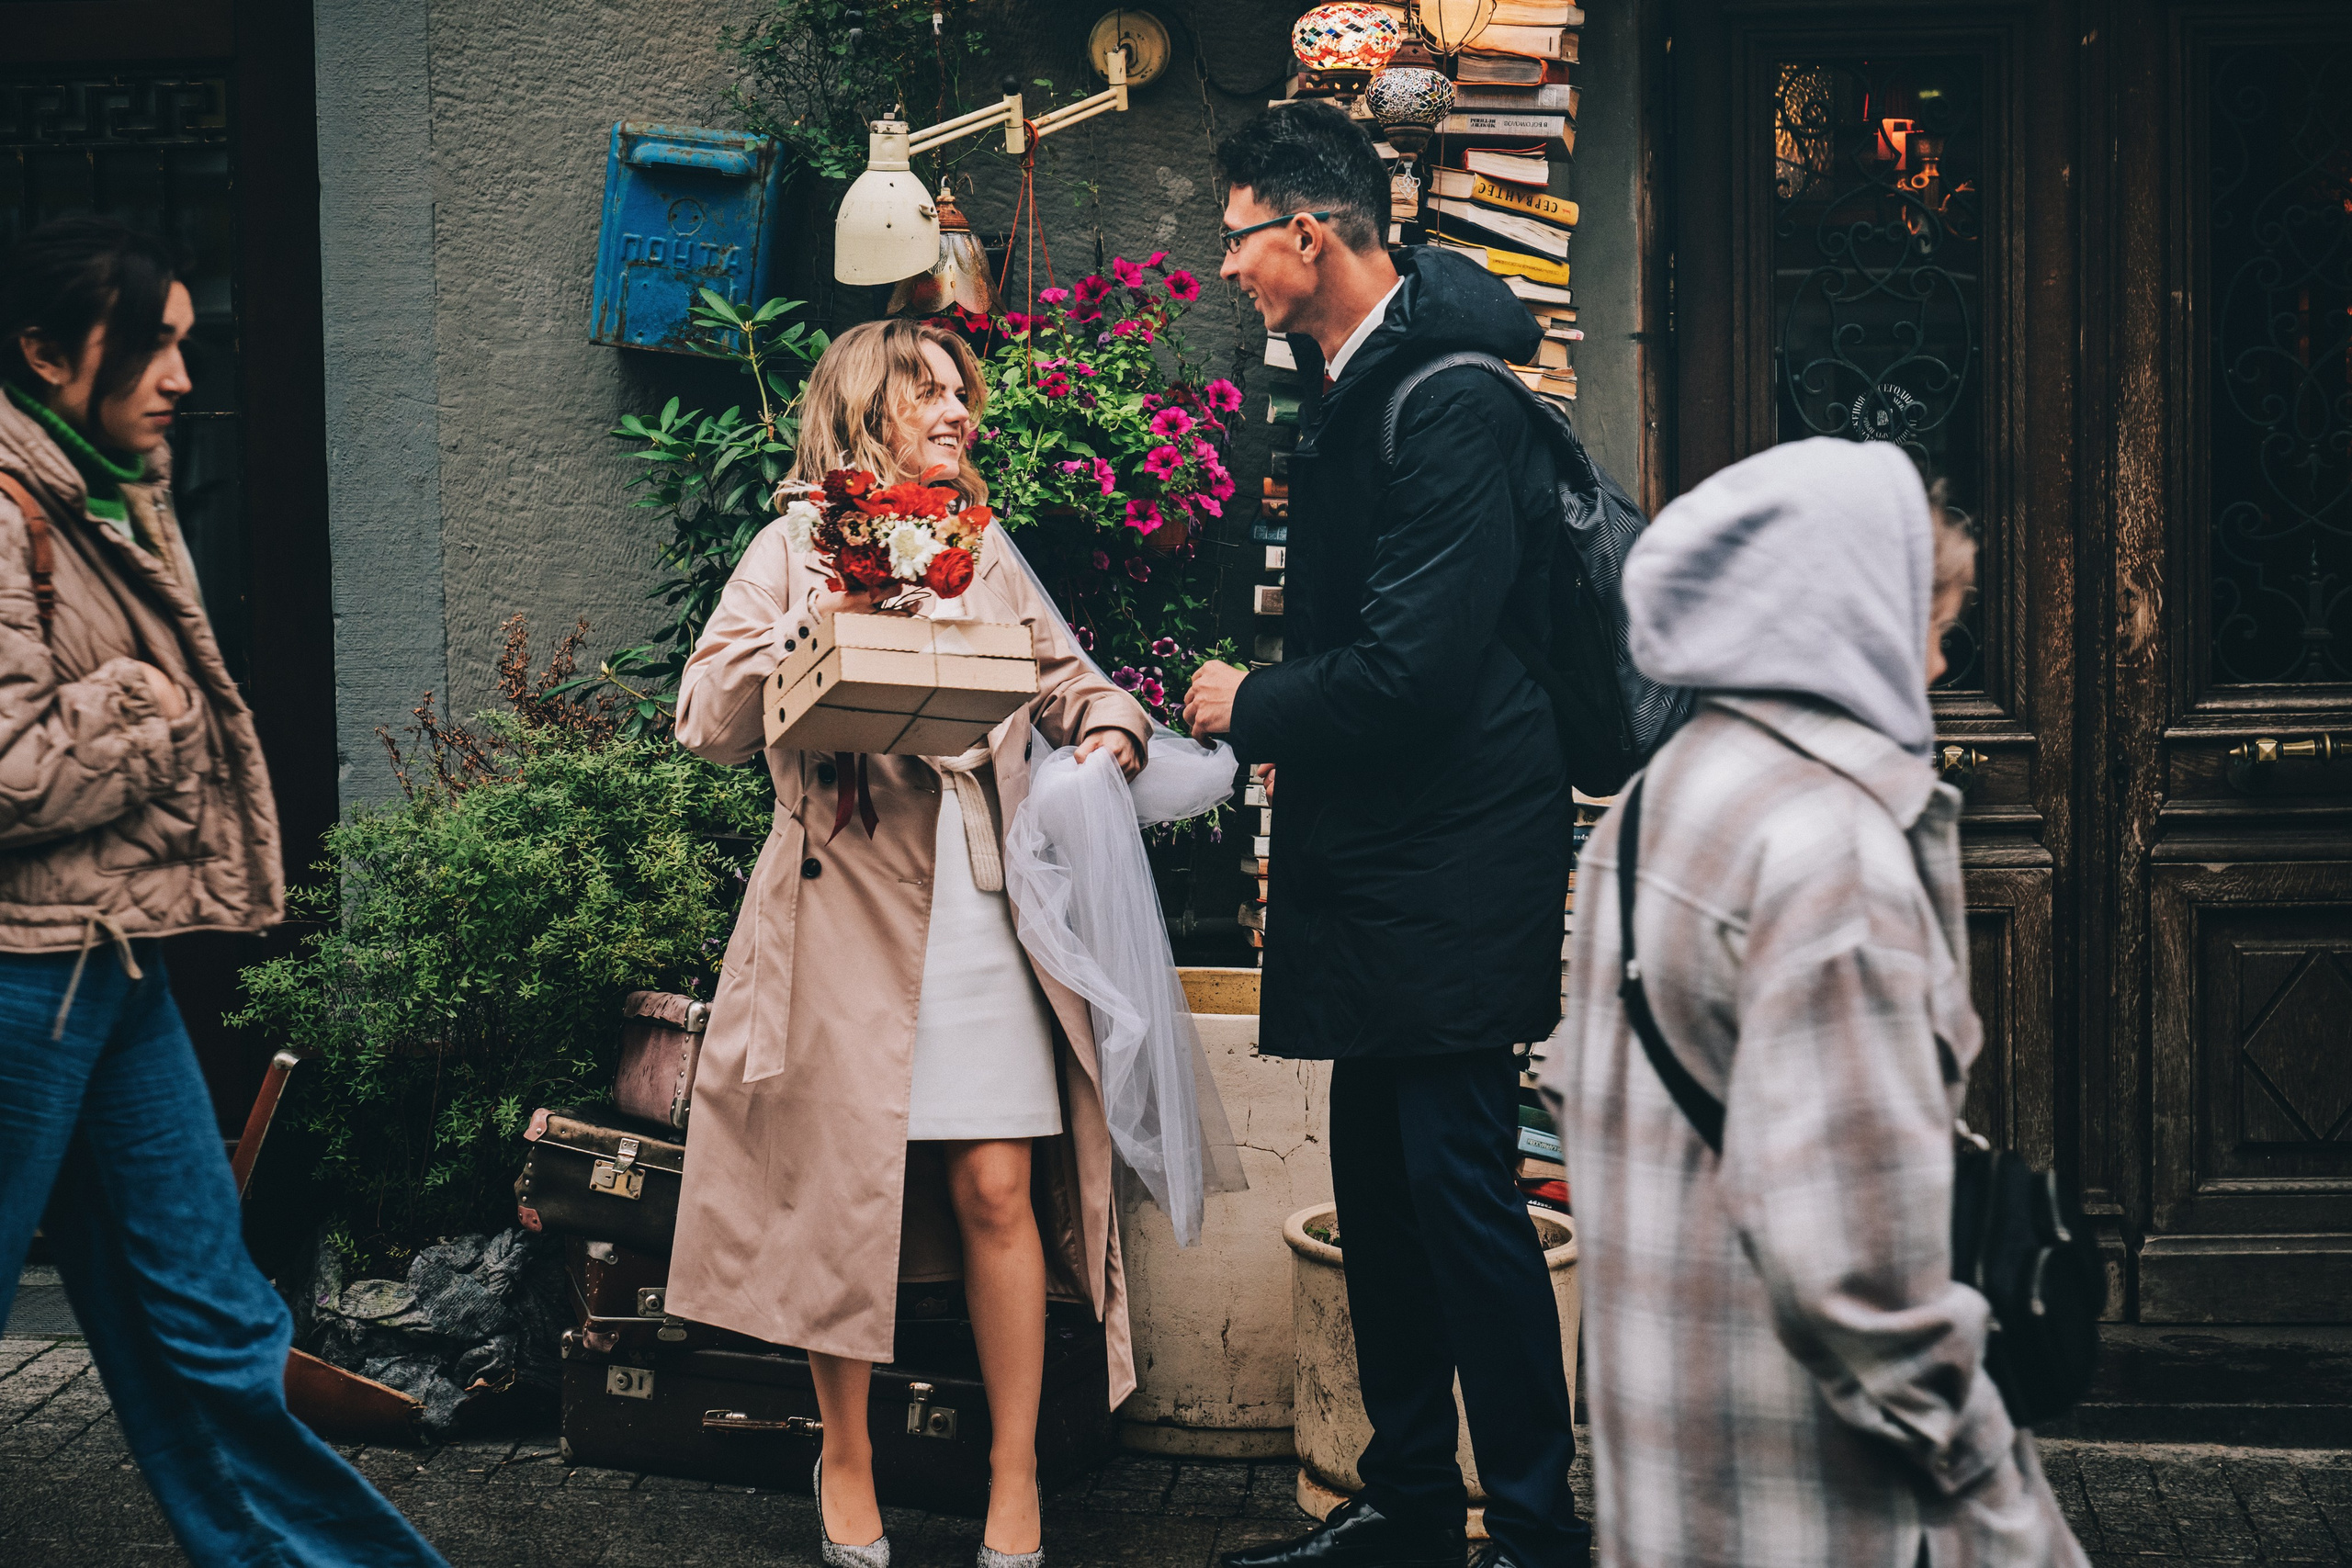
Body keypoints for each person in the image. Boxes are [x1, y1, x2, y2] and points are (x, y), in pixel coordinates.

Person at [1548, 437, 2088, 1567]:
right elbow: (1856, 1274)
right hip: (1829, 1508)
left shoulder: (1651, 807)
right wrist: (1997, 1494)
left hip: (1676, 1486)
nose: (1934, 666)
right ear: (1847, 620)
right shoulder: (1828, 848)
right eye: (1928, 625)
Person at [665, 316, 1152, 1568]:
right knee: (845, 1199)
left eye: (960, 391)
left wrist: (1110, 730)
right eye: (927, 389)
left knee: (997, 1187)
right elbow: (705, 719)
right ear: (864, 409)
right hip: (840, 917)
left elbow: (1071, 680)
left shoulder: (982, 549)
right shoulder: (792, 547)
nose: (956, 410)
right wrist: (814, 623)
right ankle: (847, 1455)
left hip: (983, 910)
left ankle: (1013, 1471)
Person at [0, 217, 448, 1565]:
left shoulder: (102, 494)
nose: (181, 375)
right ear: (44, 352)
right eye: (151, 343)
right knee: (205, 1325)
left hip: (108, 962)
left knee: (212, 1330)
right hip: (20, 974)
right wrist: (153, 708)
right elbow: (12, 771)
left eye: (185, 344)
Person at [1183, 103, 1589, 1568]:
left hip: (1456, 856)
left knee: (1463, 1196)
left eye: (1238, 236)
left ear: (1306, 233)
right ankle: (1411, 1507)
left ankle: (1534, 1530)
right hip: (1378, 850)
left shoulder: (1452, 399)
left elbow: (1416, 667)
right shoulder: (1350, 378)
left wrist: (1250, 701)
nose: (1227, 266)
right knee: (1381, 1191)